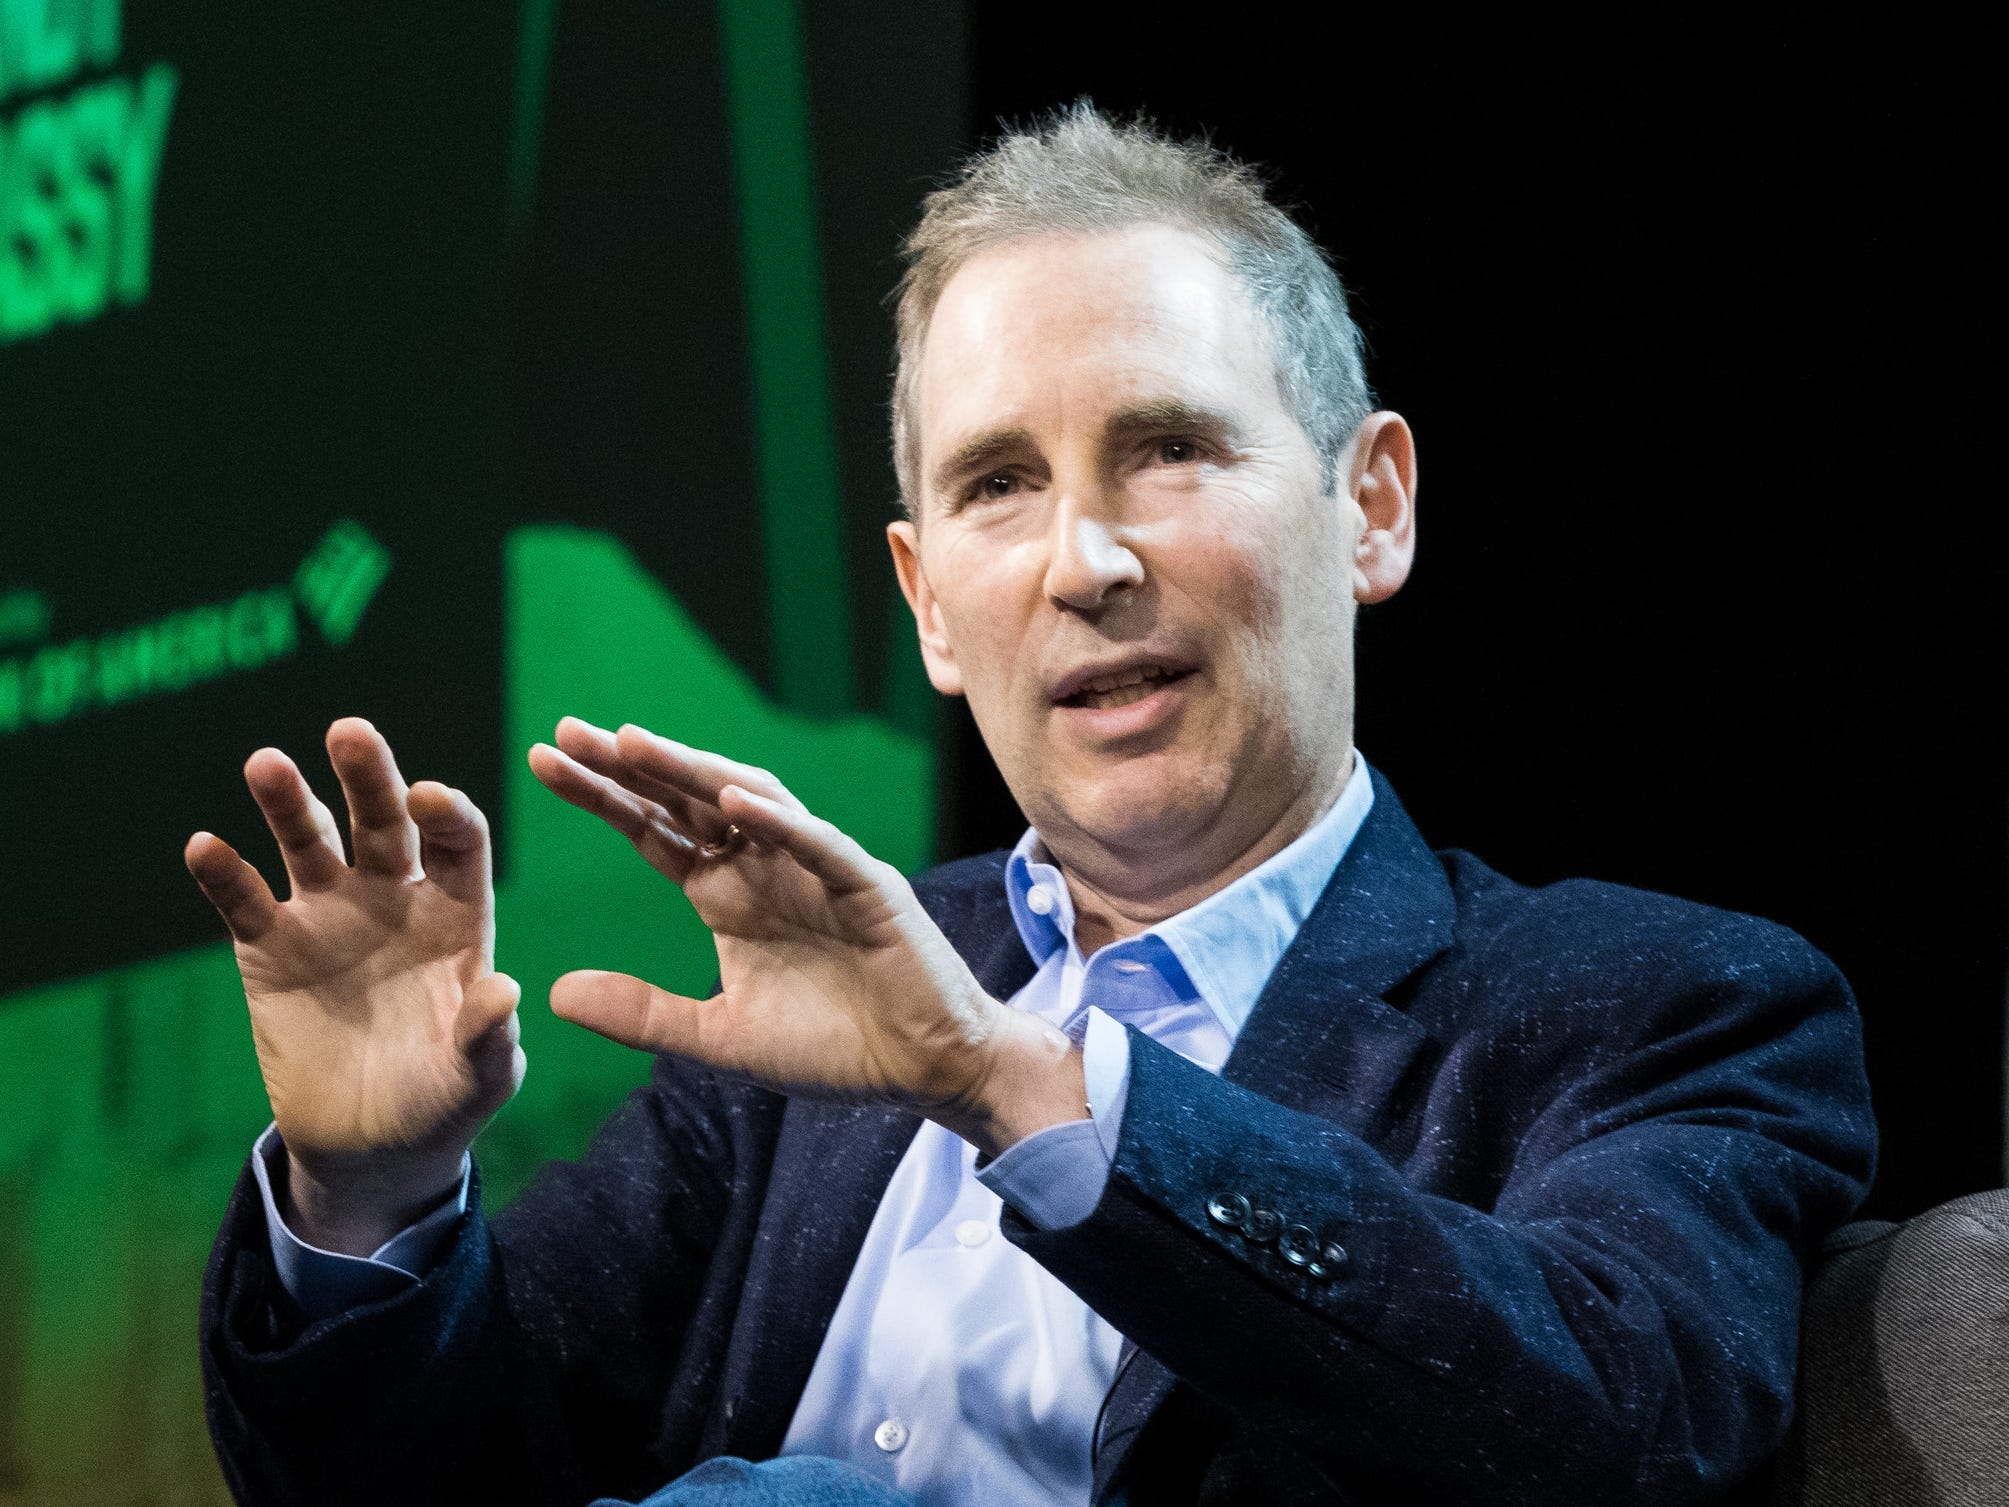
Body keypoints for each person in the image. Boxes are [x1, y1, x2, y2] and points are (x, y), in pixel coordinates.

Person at [187, 106, 1876, 1506]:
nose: (1085, 563)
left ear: (1368, 508)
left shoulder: (1657, 1005)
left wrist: (1017, 1088)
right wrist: (372, 1205)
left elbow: (1616, 1433)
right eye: (1000, 487)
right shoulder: (794, 1053)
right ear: (925, 602)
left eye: (1169, 450)